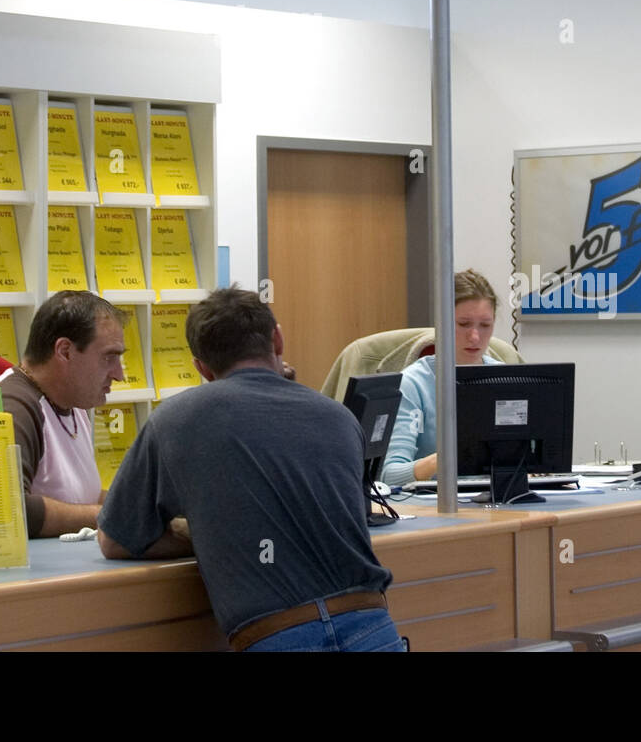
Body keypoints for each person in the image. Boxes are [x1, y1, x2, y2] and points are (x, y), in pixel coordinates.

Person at [96, 287, 404, 653]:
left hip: (276, 635)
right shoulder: (340, 417)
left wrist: (209, 535)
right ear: (277, 338)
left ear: (202, 367)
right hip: (371, 626)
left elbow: (115, 539)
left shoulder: (175, 421)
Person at [0, 290, 125, 537]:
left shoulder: (74, 403)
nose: (119, 374)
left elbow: (82, 496)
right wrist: (116, 518)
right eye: (109, 357)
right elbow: (12, 508)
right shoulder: (13, 406)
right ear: (64, 351)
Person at [381, 269, 501, 488]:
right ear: (441, 323)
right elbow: (390, 475)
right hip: (434, 506)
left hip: (499, 501)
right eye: (463, 324)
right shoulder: (413, 384)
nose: (475, 337)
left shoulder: (505, 378)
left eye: (485, 325)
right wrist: (445, 459)